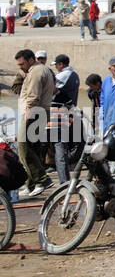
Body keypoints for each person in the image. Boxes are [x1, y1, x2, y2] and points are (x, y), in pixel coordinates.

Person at [13, 49, 54, 197]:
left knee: (23, 147)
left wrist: (29, 112)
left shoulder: (36, 72)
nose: (20, 67)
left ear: (31, 60)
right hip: (40, 112)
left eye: (22, 64)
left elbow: (34, 95)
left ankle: (42, 180)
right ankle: (31, 184)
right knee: (34, 148)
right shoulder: (40, 70)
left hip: (34, 112)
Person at [49, 54, 81, 184]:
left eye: (56, 65)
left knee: (60, 148)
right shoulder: (75, 75)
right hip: (70, 111)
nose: (56, 67)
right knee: (71, 144)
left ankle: (64, 181)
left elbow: (53, 92)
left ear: (61, 64)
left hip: (60, 113)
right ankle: (66, 174)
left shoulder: (63, 75)